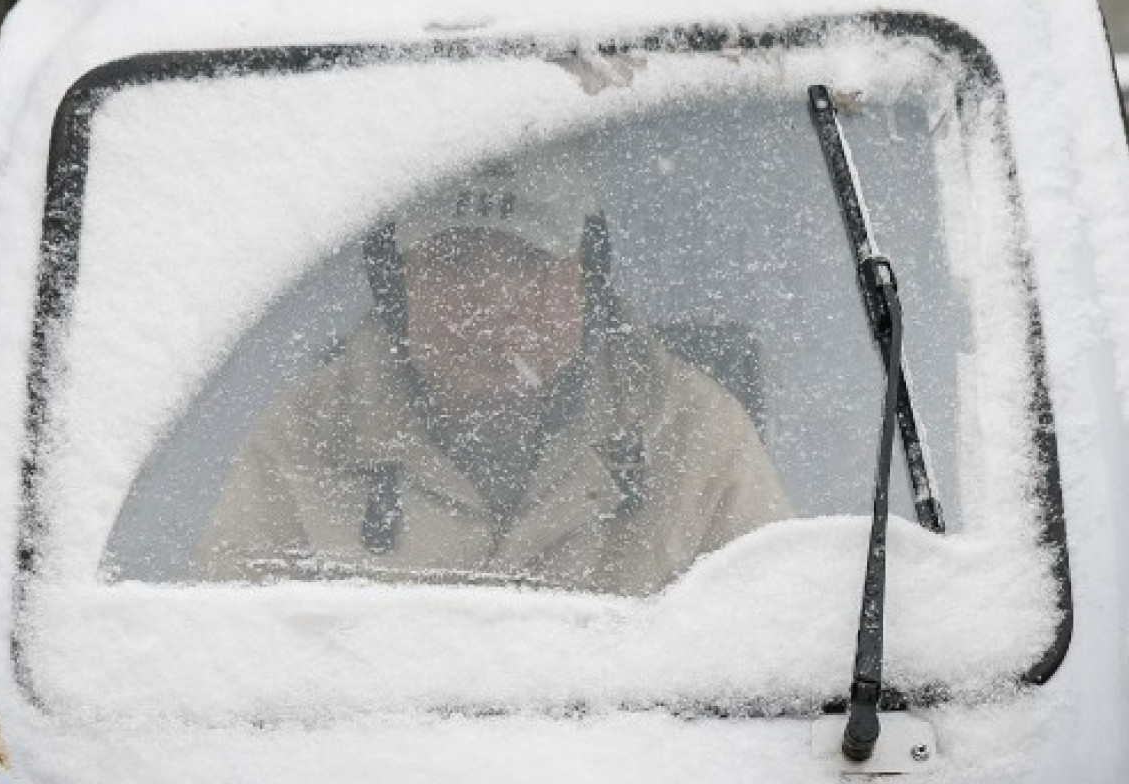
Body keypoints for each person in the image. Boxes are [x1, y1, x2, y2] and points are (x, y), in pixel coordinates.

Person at [192, 146, 792, 595]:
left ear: (588, 275)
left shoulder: (695, 436)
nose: (491, 306)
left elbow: (772, 663)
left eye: (528, 262)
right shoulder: (302, 445)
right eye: (455, 263)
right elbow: (232, 682)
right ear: (396, 287)